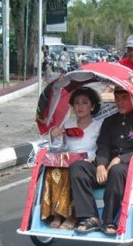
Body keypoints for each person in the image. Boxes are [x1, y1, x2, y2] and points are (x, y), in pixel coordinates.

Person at [70, 87, 133, 235]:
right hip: (105, 162)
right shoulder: (109, 121)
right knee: (77, 167)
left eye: (124, 98)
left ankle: (109, 220)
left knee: (116, 170)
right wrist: (101, 164)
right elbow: (103, 146)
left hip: (128, 166)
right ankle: (90, 217)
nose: (119, 102)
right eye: (117, 98)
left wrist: (120, 159)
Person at [41, 87, 102, 230]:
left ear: (92, 106)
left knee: (74, 170)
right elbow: (58, 149)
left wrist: (93, 161)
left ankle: (71, 216)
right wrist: (54, 136)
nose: (80, 107)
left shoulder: (99, 126)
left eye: (85, 103)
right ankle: (56, 214)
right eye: (77, 103)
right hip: (67, 161)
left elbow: (103, 149)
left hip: (88, 165)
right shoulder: (67, 124)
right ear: (73, 106)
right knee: (53, 169)